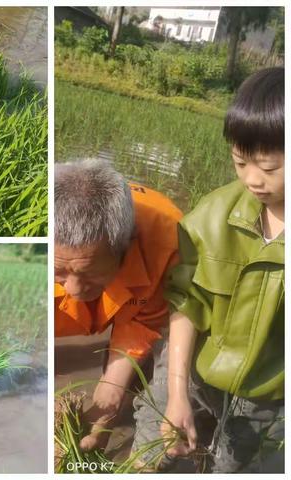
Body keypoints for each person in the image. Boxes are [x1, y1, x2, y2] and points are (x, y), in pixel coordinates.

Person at [131, 67, 284, 473]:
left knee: (233, 467)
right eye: (240, 162)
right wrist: (177, 391)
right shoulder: (211, 217)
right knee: (151, 453)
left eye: (269, 169)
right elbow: (187, 303)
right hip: (194, 369)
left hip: (267, 398)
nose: (252, 180)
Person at [55, 158, 183, 451]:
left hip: (142, 300)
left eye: (89, 272)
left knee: (139, 377)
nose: (74, 289)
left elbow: (143, 321)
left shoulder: (168, 244)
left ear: (126, 246)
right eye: (60, 270)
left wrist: (111, 394)